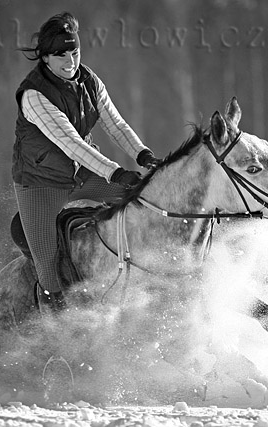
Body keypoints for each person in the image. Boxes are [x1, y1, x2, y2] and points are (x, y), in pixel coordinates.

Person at [12, 11, 161, 313]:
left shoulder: (89, 81)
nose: (70, 62)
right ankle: (55, 330)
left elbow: (115, 124)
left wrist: (143, 154)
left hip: (82, 176)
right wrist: (116, 172)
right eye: (60, 56)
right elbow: (71, 143)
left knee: (144, 203)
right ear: (45, 58)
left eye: (75, 52)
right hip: (41, 186)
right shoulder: (34, 95)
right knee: (47, 264)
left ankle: (154, 272)